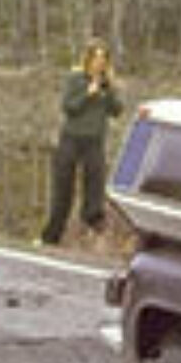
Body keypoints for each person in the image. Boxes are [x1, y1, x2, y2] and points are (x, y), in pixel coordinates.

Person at [37, 38, 123, 248]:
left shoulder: (106, 82)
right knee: (63, 190)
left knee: (95, 180)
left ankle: (91, 218)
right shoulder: (75, 78)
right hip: (71, 138)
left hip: (94, 140)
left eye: (103, 59)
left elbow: (117, 111)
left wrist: (109, 90)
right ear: (88, 59)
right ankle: (50, 237)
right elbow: (69, 107)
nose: (99, 63)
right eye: (96, 58)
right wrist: (88, 94)